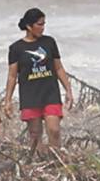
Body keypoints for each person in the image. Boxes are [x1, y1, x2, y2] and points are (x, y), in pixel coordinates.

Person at [8, 8, 74, 155]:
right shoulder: (16, 48)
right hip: (30, 95)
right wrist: (8, 100)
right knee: (35, 135)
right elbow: (12, 76)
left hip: (50, 93)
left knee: (54, 130)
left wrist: (68, 90)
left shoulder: (49, 42)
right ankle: (38, 160)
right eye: (39, 24)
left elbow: (58, 68)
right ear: (29, 26)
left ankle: (55, 158)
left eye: (44, 24)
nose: (42, 27)